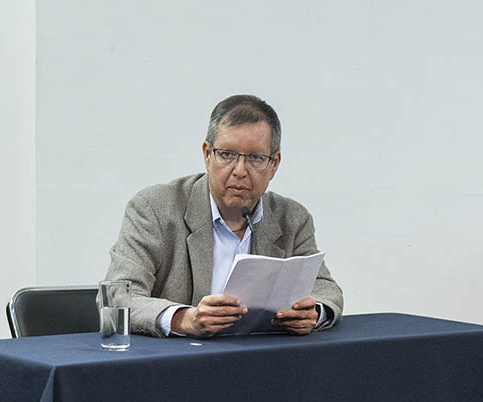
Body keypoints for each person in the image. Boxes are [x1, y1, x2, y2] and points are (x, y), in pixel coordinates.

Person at [105, 95, 343, 337]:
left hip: (264, 354)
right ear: (207, 155)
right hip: (179, 356)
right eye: (227, 154)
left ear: (274, 164)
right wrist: (184, 319)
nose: (240, 171)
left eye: (255, 158)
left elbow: (326, 289)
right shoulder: (155, 208)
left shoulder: (292, 218)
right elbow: (117, 298)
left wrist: (313, 312)